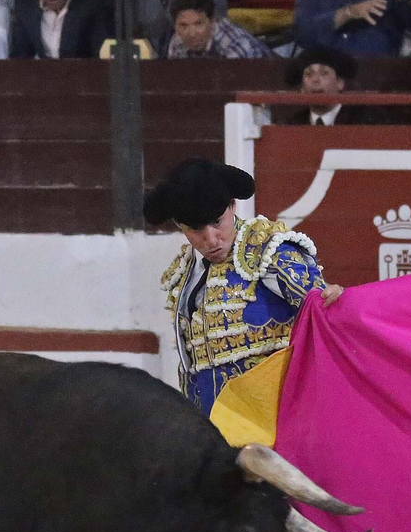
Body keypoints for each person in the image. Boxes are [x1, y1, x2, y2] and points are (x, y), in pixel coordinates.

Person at [146, 159, 343, 414]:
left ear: (232, 206)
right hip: (210, 421)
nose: (211, 239)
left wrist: (334, 298)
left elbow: (320, 305)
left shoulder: (267, 249)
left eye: (217, 222)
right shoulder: (186, 272)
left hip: (273, 418)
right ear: (179, 226)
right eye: (195, 230)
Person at [165, 0, 270, 58]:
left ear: (212, 20)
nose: (191, 33)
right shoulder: (177, 42)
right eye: (183, 26)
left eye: (198, 24)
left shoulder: (235, 45)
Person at [282, 46, 379, 124]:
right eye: (308, 74)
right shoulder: (293, 124)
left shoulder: (365, 121)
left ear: (340, 83)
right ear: (302, 88)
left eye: (324, 73)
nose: (315, 80)